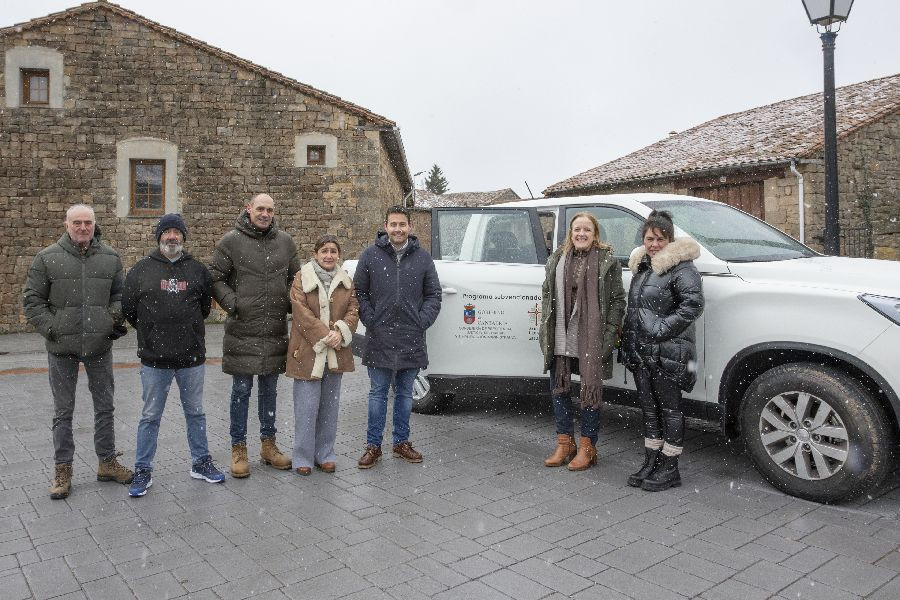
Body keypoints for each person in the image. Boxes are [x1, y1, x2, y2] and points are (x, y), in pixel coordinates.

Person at [23, 204, 134, 499]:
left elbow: (121, 296)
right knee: (63, 411)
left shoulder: (110, 258)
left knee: (105, 406)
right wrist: (53, 328)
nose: (83, 227)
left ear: (94, 224)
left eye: (87, 222)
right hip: (62, 348)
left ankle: (107, 462)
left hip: (99, 345)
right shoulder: (46, 259)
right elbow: (33, 301)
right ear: (67, 224)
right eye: (77, 223)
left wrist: (109, 320)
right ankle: (63, 469)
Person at [123, 214, 225, 497]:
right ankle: (143, 470)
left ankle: (201, 462)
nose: (171, 237)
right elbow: (130, 309)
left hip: (191, 358)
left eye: (176, 232)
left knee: (195, 412)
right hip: (154, 360)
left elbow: (204, 308)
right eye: (166, 232)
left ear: (183, 237)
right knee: (150, 415)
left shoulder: (197, 270)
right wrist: (152, 331)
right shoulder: (141, 270)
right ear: (158, 237)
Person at [209, 193, 302, 478]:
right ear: (248, 208)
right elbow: (214, 277)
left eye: (270, 209)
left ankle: (268, 445)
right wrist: (233, 304)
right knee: (241, 392)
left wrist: (287, 304)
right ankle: (238, 448)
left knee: (269, 392)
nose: (265, 214)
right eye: (260, 208)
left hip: (274, 330)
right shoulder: (231, 242)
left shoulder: (285, 242)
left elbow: (296, 280)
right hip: (243, 331)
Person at [621, 210, 704, 491]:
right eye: (649, 238)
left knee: (670, 409)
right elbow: (636, 311)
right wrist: (630, 341)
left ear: (669, 240)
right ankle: (652, 460)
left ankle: (671, 467)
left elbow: (692, 305)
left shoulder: (682, 268)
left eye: (659, 238)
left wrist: (660, 329)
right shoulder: (643, 268)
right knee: (649, 409)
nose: (654, 244)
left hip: (668, 352)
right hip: (642, 351)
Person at [353, 205, 442, 468]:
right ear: (386, 226)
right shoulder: (370, 256)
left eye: (402, 224)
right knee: (378, 393)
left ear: (409, 227)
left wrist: (422, 321)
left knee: (404, 394)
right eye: (393, 224)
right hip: (379, 335)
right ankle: (373, 446)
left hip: (410, 336)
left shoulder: (423, 258)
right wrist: (371, 319)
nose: (398, 229)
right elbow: (360, 292)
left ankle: (401, 442)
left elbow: (433, 295)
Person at [539, 211, 626, 471]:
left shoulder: (606, 262)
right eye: (577, 229)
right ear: (571, 233)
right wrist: (546, 327)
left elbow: (617, 301)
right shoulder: (557, 259)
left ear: (595, 234)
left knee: (589, 391)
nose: (581, 234)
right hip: (562, 335)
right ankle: (565, 442)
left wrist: (609, 334)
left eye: (587, 230)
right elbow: (546, 294)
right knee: (559, 389)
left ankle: (588, 446)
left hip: (591, 336)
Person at [286, 235, 359, 475]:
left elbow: (353, 310)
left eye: (333, 251)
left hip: (336, 353)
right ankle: (302, 457)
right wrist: (325, 334)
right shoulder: (301, 278)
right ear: (315, 254)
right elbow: (300, 311)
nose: (329, 255)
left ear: (339, 255)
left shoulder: (346, 280)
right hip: (307, 352)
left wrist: (341, 331)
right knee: (306, 408)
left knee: (329, 407)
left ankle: (325, 454)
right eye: (324, 251)